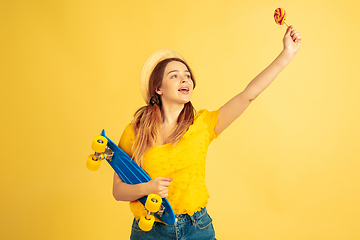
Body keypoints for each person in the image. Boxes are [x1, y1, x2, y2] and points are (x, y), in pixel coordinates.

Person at [113, 26, 302, 240]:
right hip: (149, 230)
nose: (184, 80)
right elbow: (118, 191)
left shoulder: (202, 125)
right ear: (158, 88)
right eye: (174, 76)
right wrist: (147, 187)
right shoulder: (134, 132)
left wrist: (287, 54)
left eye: (187, 76)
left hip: (196, 229)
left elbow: (248, 95)